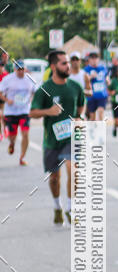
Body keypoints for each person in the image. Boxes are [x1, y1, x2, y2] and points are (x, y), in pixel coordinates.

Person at [30, 50, 85, 224]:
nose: (68, 66)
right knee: (55, 178)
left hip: (72, 138)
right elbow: (32, 113)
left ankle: (71, 208)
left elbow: (81, 108)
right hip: (52, 141)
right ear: (54, 66)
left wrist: (79, 119)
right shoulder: (44, 89)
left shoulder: (75, 87)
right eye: (63, 63)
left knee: (74, 171)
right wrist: (49, 111)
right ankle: (57, 206)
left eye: (68, 62)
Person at [0, 59, 34, 164]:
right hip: (11, 111)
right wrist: (6, 100)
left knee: (25, 134)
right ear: (14, 69)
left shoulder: (30, 79)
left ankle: (22, 157)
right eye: (18, 69)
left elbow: (34, 92)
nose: (20, 71)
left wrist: (31, 100)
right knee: (12, 135)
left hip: (24, 111)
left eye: (22, 69)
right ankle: (12, 143)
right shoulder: (7, 79)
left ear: (25, 69)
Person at [83, 50, 109, 121]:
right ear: (89, 59)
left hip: (102, 95)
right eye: (92, 58)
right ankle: (93, 131)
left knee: (101, 113)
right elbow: (84, 80)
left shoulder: (103, 68)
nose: (94, 60)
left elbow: (107, 77)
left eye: (96, 58)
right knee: (92, 117)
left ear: (98, 59)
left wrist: (107, 80)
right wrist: (91, 76)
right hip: (91, 96)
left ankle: (101, 131)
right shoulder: (86, 69)